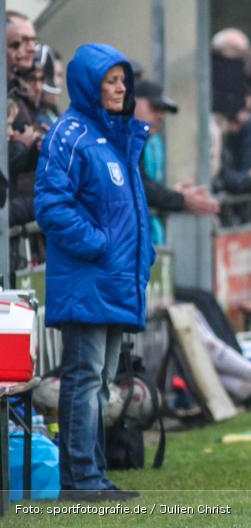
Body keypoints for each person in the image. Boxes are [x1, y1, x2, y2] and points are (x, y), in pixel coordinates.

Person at [34, 43, 154, 501]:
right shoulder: (69, 135)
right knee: (85, 380)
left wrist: (140, 256)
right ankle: (81, 480)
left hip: (112, 279)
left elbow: (129, 210)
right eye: (111, 81)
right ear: (89, 85)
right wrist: (99, 247)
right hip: (88, 279)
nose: (121, 88)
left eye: (124, 80)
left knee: (101, 383)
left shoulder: (115, 136)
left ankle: (93, 477)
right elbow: (51, 206)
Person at [133, 80, 220, 244]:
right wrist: (180, 199)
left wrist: (174, 195)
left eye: (163, 111)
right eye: (154, 108)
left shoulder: (142, 140)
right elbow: (136, 185)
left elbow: (141, 183)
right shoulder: (120, 138)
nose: (161, 117)